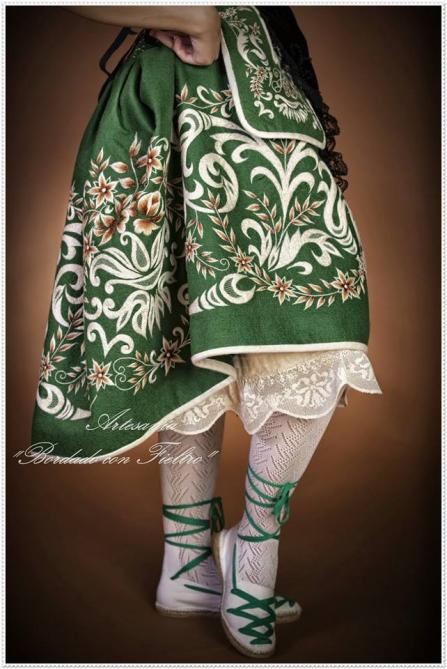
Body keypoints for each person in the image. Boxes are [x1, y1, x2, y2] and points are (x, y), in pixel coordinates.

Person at [31, 5, 383, 658]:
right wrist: (191, 14)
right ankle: (215, 558)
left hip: (258, 86)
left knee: (306, 320)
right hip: (170, 98)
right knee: (177, 333)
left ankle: (209, 555)